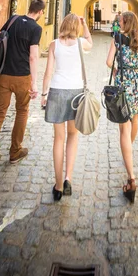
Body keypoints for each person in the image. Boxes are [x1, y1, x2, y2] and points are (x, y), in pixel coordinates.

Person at [0, 0, 45, 193]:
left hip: (4, 75)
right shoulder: (35, 29)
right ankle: (15, 151)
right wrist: (34, 83)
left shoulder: (12, 20)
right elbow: (33, 56)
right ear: (40, 12)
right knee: (22, 112)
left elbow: (1, 38)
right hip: (22, 77)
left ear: (29, 8)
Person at [41, 13, 93, 201]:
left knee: (58, 139)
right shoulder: (81, 43)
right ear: (76, 27)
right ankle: (68, 177)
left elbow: (48, 73)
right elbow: (90, 41)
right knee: (72, 135)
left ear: (63, 25)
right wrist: (85, 24)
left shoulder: (54, 44)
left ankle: (58, 185)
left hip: (56, 92)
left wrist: (44, 94)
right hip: (76, 93)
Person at [106, 11, 138, 202]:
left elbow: (109, 62)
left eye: (120, 21)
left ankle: (132, 179)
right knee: (135, 119)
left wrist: (120, 69)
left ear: (126, 22)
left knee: (123, 129)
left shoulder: (117, 39)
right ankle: (129, 152)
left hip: (123, 84)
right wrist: (137, 64)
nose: (119, 24)